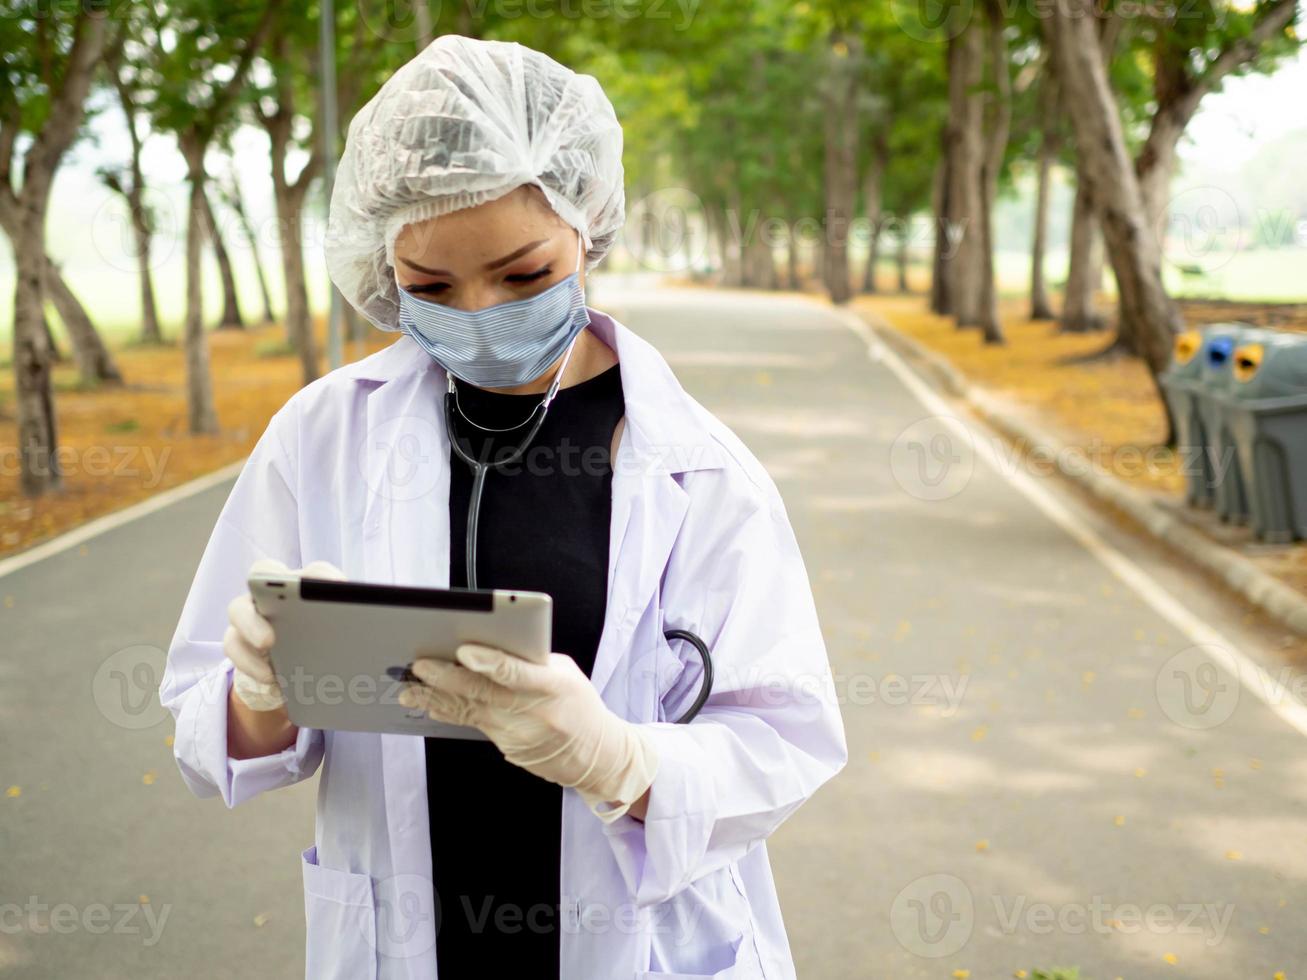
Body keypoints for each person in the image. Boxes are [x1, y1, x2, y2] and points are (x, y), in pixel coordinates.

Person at [160, 34, 846, 980]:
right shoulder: (323, 438)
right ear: (381, 268)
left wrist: (616, 761)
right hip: (404, 944)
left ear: (587, 224)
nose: (479, 313)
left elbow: (788, 742)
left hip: (633, 946)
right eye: (430, 287)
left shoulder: (697, 470)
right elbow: (213, 741)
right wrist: (262, 690)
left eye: (522, 275)